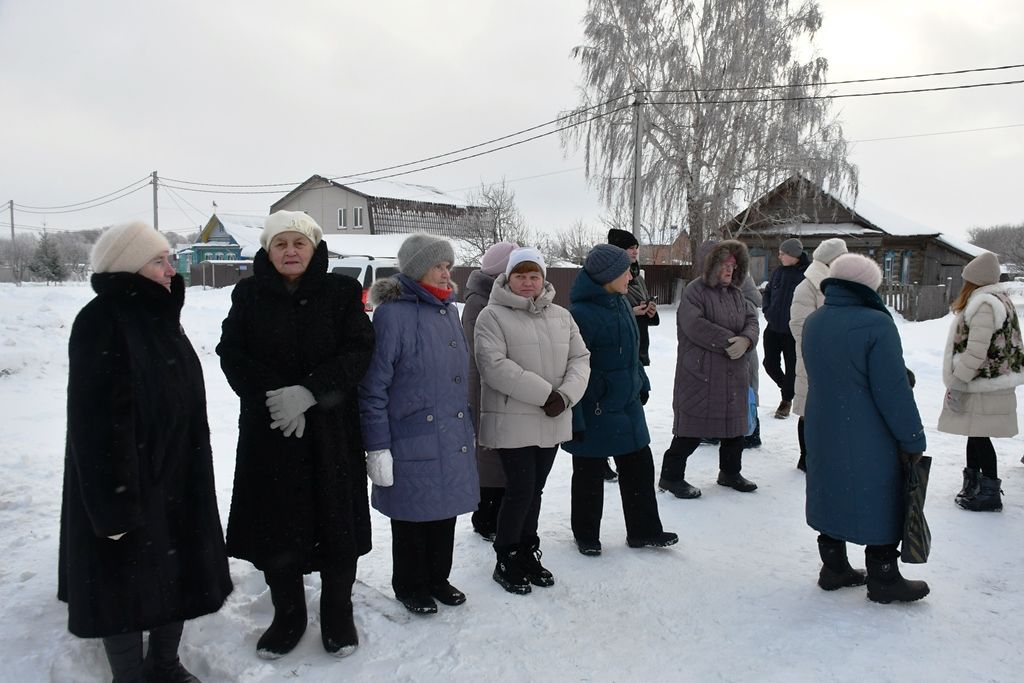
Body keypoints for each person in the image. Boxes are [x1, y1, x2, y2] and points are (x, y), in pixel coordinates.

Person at [59, 221, 232, 682]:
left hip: (174, 476)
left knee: (173, 574)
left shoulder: (160, 316)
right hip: (125, 480)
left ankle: (165, 664)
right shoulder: (102, 320)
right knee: (121, 583)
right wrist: (112, 506)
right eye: (160, 260)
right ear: (130, 266)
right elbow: (93, 423)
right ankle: (130, 674)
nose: (171, 268)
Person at [218, 210, 375, 659]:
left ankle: (337, 612)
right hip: (271, 432)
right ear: (268, 251)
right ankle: (288, 614)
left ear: (314, 248)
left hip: (330, 432)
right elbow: (231, 352)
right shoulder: (248, 295)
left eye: (298, 243)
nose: (290, 251)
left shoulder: (342, 292)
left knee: (337, 525)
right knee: (276, 525)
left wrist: (310, 392)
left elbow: (359, 350)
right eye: (280, 244)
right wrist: (276, 396)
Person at [359, 233, 479, 615]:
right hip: (410, 434)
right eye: (438, 266)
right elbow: (374, 386)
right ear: (416, 270)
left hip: (451, 430)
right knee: (413, 515)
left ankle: (437, 578)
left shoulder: (449, 310)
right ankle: (410, 585)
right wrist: (377, 446)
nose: (447, 273)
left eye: (448, 265)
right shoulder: (391, 315)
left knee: (444, 512)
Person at [802, 253, 929, 603]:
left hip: (823, 423)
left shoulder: (815, 320)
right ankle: (884, 578)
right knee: (880, 496)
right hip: (868, 429)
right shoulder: (876, 324)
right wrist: (912, 438)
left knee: (829, 488)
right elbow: (892, 392)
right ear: (868, 287)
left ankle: (834, 567)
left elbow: (838, 369)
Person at [474, 248, 591, 593]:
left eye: (534, 276)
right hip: (514, 419)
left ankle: (526, 550)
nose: (527, 283)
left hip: (554, 417)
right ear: (508, 278)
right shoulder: (491, 316)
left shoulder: (561, 315)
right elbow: (493, 365)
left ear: (543, 279)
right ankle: (506, 555)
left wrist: (566, 395)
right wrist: (546, 395)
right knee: (520, 489)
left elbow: (580, 358)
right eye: (520, 276)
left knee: (534, 490)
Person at [563, 244, 678, 556]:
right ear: (607, 276)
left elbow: (632, 353)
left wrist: (641, 380)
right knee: (588, 471)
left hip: (627, 404)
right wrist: (584, 408)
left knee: (639, 465)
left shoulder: (622, 303)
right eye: (625, 270)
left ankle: (644, 531)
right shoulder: (581, 314)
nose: (631, 275)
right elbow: (573, 365)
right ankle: (586, 535)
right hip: (595, 406)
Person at [658, 240, 760, 498]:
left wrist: (747, 340)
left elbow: (751, 319)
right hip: (701, 375)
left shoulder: (737, 293)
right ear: (710, 265)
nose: (729, 270)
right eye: (724, 264)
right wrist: (729, 341)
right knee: (690, 431)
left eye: (733, 265)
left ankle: (730, 472)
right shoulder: (695, 292)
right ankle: (671, 477)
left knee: (734, 429)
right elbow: (694, 325)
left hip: (734, 372)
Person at [937, 251, 1024, 512]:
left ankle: (989, 493)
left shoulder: (985, 303)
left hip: (981, 383)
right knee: (975, 434)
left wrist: (958, 380)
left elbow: (977, 350)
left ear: (974, 280)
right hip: (989, 381)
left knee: (980, 437)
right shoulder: (998, 299)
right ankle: (973, 484)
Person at [462, 241, 518, 541]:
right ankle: (485, 516)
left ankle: (494, 513)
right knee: (489, 454)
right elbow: (482, 352)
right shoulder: (478, 302)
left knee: (501, 452)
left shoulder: (498, 297)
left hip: (502, 385)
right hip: (483, 386)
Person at [789, 238, 848, 471]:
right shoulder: (808, 286)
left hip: (839, 358)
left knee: (831, 410)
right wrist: (823, 350)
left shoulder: (839, 283)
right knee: (808, 410)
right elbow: (799, 325)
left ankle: (826, 454)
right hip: (814, 359)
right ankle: (807, 457)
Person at [762, 237, 809, 419]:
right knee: (770, 364)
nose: (779, 256)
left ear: (793, 255)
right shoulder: (778, 272)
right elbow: (768, 293)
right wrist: (767, 311)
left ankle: (786, 401)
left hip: (793, 331)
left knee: (792, 368)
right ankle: (789, 388)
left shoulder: (806, 274)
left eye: (782, 253)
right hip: (773, 327)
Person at [740, 273, 763, 449]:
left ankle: (751, 432)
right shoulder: (747, 300)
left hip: (743, 355)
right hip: (746, 355)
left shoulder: (744, 303)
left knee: (746, 391)